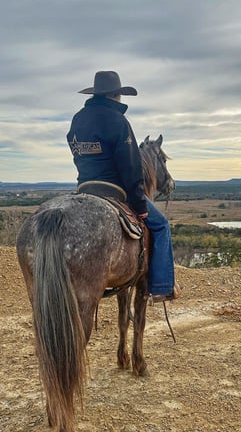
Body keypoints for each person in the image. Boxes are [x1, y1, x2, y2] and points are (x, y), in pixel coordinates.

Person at [66, 70, 180, 302]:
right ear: (116, 95)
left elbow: (76, 151)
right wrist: (140, 204)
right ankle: (160, 286)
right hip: (115, 190)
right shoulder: (118, 121)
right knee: (160, 226)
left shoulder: (78, 119)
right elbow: (130, 169)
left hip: (85, 188)